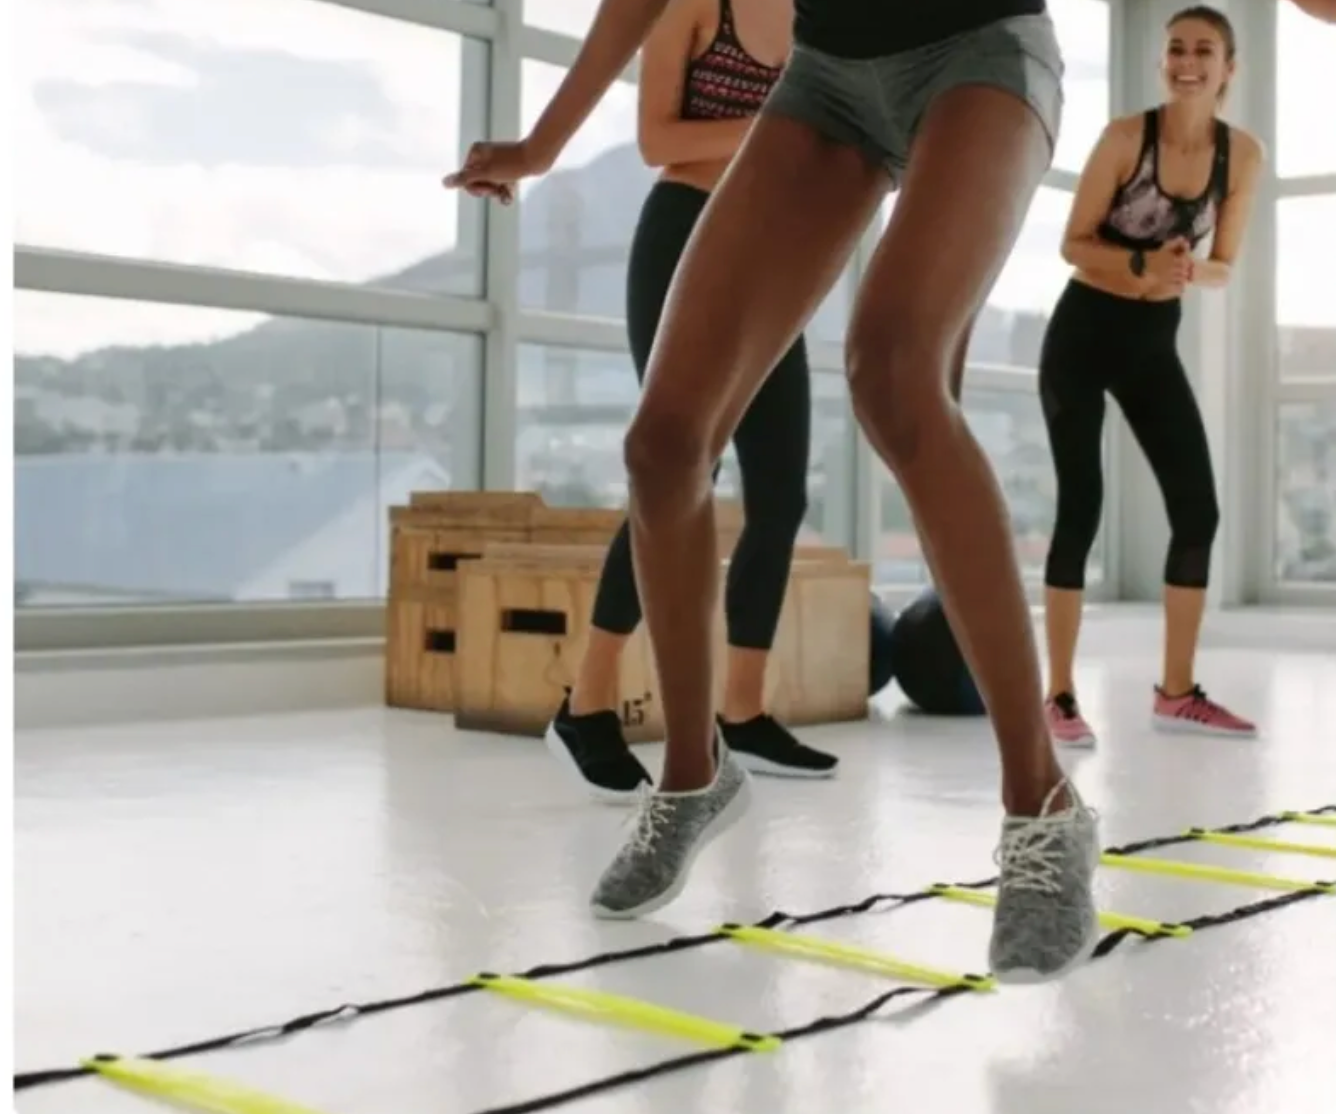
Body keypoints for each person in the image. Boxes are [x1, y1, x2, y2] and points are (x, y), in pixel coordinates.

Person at [447, 0, 1100, 986]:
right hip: (826, 74)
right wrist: (544, 142)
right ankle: (693, 775)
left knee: (891, 372)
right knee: (662, 445)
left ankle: (1039, 801)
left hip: (979, 50)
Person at [542, 0, 840, 805]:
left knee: (779, 494)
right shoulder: (695, 9)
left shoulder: (821, 24)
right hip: (684, 233)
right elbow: (658, 140)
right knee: (680, 472)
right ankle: (586, 703)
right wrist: (774, 128)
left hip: (775, 253)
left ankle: (741, 710)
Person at [1037, 5, 1264, 749]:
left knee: (1196, 510)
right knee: (1082, 507)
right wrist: (1138, 262)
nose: (1186, 60)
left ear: (1229, 68)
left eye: (1203, 50)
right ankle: (1060, 695)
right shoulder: (1125, 138)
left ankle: (1175, 692)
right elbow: (1074, 244)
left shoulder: (1242, 156)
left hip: (1150, 343)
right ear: (1162, 61)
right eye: (1175, 49)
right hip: (1082, 333)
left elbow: (1226, 263)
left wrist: (1192, 270)